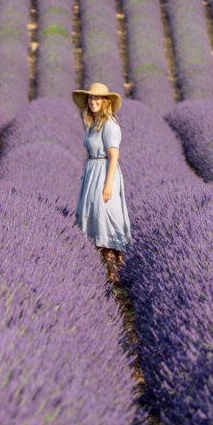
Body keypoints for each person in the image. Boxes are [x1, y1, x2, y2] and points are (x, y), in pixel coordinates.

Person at [73, 82, 131, 283]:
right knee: (93, 219)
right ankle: (113, 272)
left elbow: (114, 157)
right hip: (92, 173)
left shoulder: (109, 124)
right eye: (90, 98)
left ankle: (117, 272)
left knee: (104, 218)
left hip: (105, 174)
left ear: (106, 101)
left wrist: (108, 185)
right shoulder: (93, 124)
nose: (93, 101)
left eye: (97, 98)